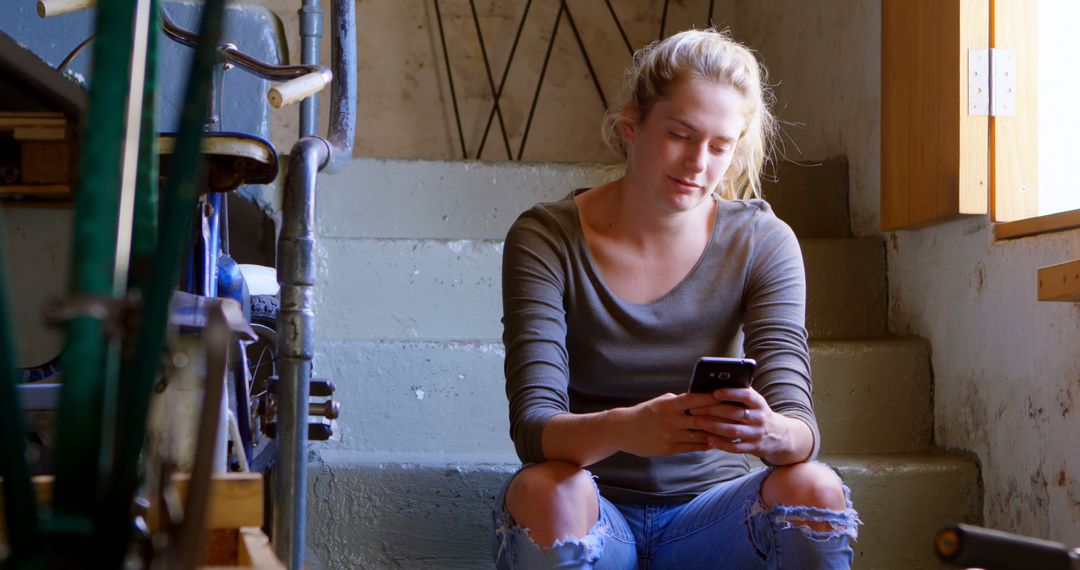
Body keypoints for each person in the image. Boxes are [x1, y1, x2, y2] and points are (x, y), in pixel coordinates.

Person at [491, 28, 860, 569]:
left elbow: (801, 431)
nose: (697, 163)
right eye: (680, 135)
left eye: (719, 146)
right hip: (595, 509)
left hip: (712, 519)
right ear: (631, 126)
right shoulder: (546, 237)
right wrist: (627, 429)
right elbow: (533, 428)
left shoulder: (762, 239)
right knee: (549, 489)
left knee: (815, 488)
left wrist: (769, 430)